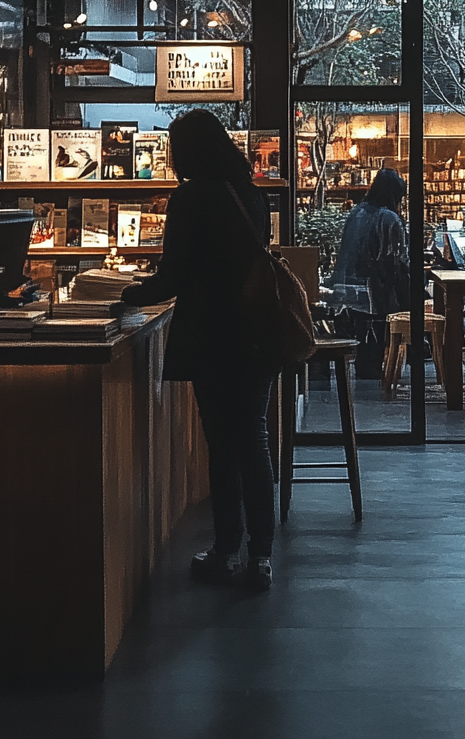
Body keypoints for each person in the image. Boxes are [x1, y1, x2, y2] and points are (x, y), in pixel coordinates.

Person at [120, 110, 277, 591]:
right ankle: (262, 557)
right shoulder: (251, 195)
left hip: (212, 333)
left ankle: (227, 548)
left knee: (222, 444)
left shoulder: (189, 199)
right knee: (254, 439)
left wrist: (121, 294)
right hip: (257, 332)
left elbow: (174, 275)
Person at [328, 168, 409, 376]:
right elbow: (396, 260)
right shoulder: (389, 218)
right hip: (373, 291)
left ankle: (367, 367)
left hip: (346, 288)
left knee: (363, 341)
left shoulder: (356, 212)